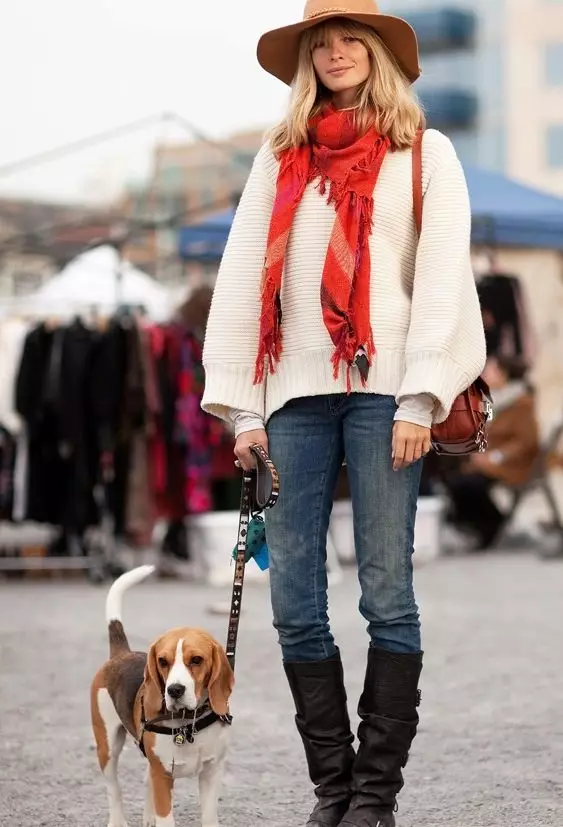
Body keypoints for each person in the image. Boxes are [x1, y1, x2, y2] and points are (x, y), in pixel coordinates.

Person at [201, 1, 486, 824]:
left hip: (384, 394)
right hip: (290, 394)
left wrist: (421, 394)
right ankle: (334, 788)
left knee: (386, 590)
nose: (332, 52)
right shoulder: (279, 154)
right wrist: (242, 413)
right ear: (306, 61)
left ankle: (375, 795)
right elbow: (241, 272)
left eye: (347, 39)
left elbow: (440, 278)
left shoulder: (424, 152)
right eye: (318, 43)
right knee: (292, 596)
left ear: (376, 52)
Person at [445, 356, 539, 550]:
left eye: (491, 370)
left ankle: (491, 527)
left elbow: (527, 441)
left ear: (503, 375)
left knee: (468, 484)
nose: (485, 373)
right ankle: (486, 525)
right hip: (490, 462)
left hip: (513, 465)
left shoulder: (521, 401)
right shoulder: (492, 400)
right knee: (453, 477)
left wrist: (494, 457)